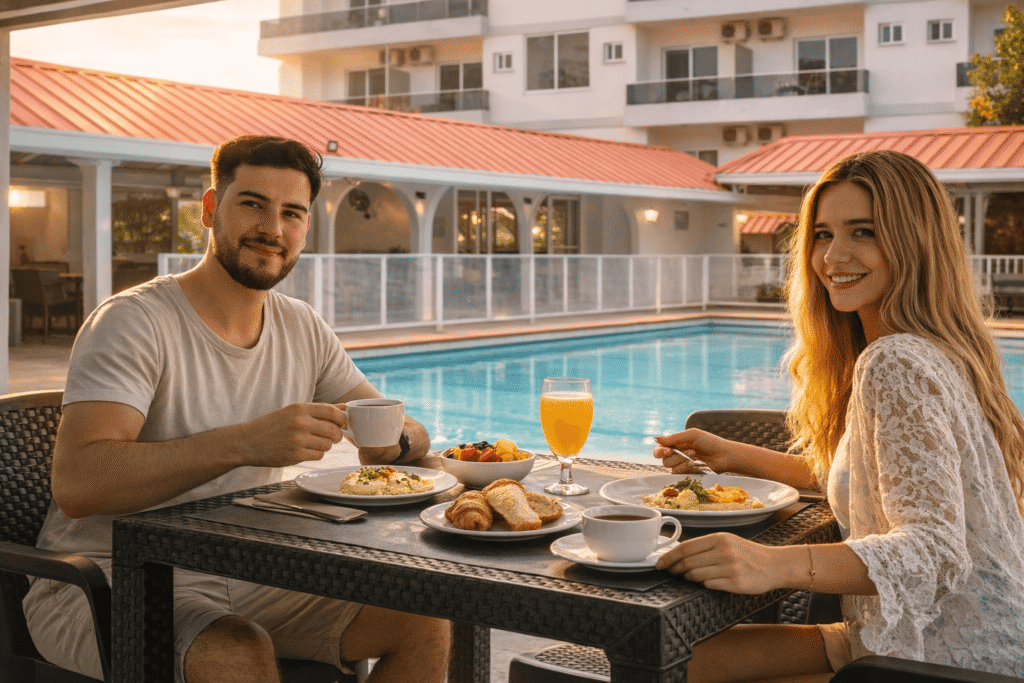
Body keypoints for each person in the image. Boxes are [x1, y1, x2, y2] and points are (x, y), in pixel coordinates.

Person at [23, 135, 450, 683]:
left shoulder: (301, 325)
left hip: (250, 568)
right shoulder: (134, 322)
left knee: (423, 616)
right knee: (235, 650)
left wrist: (398, 441)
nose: (272, 229)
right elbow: (80, 484)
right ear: (209, 210)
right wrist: (246, 442)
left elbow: (400, 422)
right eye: (252, 204)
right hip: (108, 577)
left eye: (291, 213)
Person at [652, 150, 1024, 681]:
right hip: (898, 636)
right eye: (823, 235)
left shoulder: (896, 361)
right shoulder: (937, 350)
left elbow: (936, 550)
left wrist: (770, 566)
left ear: (915, 242)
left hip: (940, 661)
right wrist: (735, 457)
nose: (832, 257)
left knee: (651, 662)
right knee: (672, 659)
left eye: (863, 232)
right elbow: (889, 483)